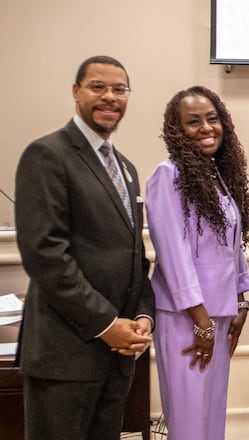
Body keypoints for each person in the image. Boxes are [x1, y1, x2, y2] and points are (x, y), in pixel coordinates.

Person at [13, 55, 155, 439]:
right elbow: (45, 256)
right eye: (98, 87)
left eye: (120, 89)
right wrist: (107, 325)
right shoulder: (47, 155)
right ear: (76, 92)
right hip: (66, 356)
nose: (110, 97)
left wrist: (143, 316)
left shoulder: (125, 167)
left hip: (116, 357)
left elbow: (132, 256)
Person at [146, 86, 249, 439]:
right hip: (186, 319)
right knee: (190, 421)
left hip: (218, 315)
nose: (207, 127)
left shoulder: (215, 174)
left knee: (211, 417)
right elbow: (173, 255)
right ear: (177, 131)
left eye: (213, 118)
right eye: (193, 122)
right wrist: (201, 321)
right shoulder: (168, 175)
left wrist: (240, 299)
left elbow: (231, 244)